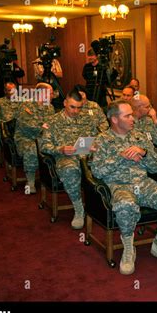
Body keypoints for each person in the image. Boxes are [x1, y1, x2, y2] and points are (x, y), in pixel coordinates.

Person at [90, 100, 157, 275]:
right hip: (120, 186)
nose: (132, 119)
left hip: (144, 184)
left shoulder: (140, 136)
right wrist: (122, 156)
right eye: (127, 115)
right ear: (114, 119)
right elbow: (96, 171)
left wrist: (143, 153)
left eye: (132, 115)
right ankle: (128, 248)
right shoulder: (102, 140)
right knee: (126, 204)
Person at [40, 89, 101, 229]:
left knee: (111, 165)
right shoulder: (52, 121)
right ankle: (79, 208)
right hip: (65, 157)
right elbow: (44, 146)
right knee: (70, 170)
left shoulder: (88, 119)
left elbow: (99, 138)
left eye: (79, 108)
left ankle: (104, 206)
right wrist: (60, 149)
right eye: (72, 107)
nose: (75, 111)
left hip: (88, 156)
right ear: (65, 103)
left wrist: (95, 144)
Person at [14, 83, 55, 193]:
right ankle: (30, 181)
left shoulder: (50, 107)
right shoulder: (26, 106)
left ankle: (55, 176)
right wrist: (41, 127)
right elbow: (26, 126)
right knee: (32, 148)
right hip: (26, 138)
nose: (53, 95)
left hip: (43, 138)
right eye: (51, 93)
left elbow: (52, 124)